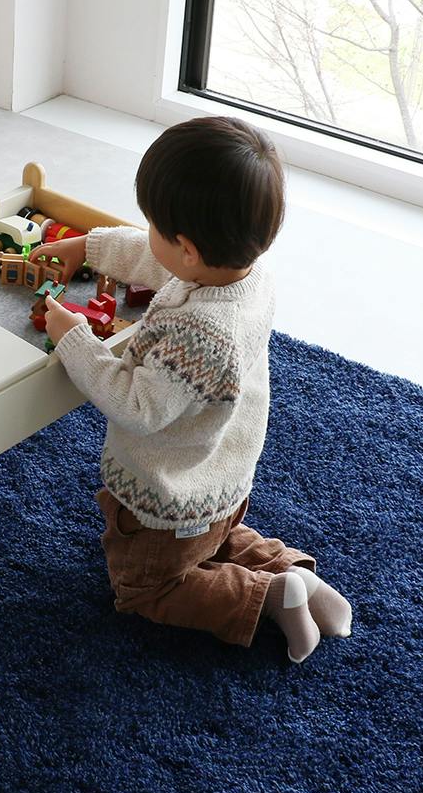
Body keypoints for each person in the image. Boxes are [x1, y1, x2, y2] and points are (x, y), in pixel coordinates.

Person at [31, 117, 351, 663]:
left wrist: (75, 339)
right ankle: (301, 578)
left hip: (166, 501)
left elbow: (136, 407)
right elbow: (158, 259)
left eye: (154, 224)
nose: (148, 233)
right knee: (218, 538)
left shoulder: (195, 334)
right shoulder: (245, 275)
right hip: (220, 481)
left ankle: (267, 595)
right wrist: (88, 246)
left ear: (187, 249)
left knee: (150, 587)